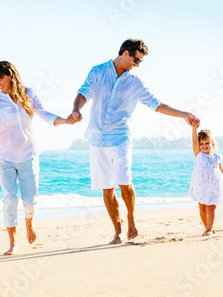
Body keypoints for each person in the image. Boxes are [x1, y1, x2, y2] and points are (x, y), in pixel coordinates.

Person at [68, 39, 200, 244]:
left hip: (120, 138)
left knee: (124, 182)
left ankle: (131, 217)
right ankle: (117, 231)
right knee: (107, 188)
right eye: (136, 60)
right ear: (126, 53)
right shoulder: (98, 71)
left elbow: (156, 104)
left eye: (140, 62)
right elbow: (83, 93)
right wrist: (76, 110)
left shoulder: (135, 82)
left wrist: (183, 114)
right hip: (96, 140)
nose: (137, 65)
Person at [0, 61, 72, 255]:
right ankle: (12, 243)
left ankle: (29, 223)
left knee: (30, 198)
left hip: (28, 154)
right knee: (9, 198)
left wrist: (65, 120)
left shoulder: (29, 93)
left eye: (0, 79)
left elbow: (45, 114)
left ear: (10, 75)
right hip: (4, 157)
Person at [189, 124, 223, 236]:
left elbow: (221, 170)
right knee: (202, 207)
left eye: (207, 143)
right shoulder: (198, 155)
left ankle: (209, 229)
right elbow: (194, 141)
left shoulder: (217, 157)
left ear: (212, 144)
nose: (204, 145)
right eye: (201, 143)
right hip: (201, 185)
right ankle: (207, 228)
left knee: (211, 207)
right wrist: (194, 128)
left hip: (215, 184)